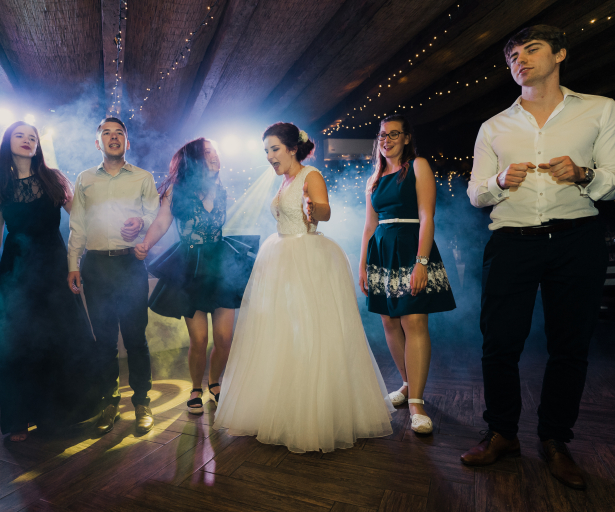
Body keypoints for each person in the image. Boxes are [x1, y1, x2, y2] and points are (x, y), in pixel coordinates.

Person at [462, 25, 615, 490]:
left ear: (560, 54)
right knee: (499, 343)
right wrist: (497, 182)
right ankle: (502, 433)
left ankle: (555, 440)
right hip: (511, 241)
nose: (520, 60)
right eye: (512, 56)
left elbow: (613, 179)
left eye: (531, 50)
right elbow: (475, 193)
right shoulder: (493, 126)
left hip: (577, 240)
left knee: (570, 345)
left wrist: (583, 173)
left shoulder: (600, 109)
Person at [213, 122, 394, 453]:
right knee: (280, 333)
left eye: (274, 149)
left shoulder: (311, 175)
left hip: (305, 257)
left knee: (310, 332)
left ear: (292, 149)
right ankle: (279, 408)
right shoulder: (283, 181)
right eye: (266, 151)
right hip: (279, 257)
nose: (270, 156)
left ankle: (312, 416)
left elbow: (324, 210)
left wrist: (314, 209)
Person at [0, 121, 104, 442]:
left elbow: (80, 219)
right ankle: (20, 419)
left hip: (53, 267)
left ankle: (57, 414)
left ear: (38, 146)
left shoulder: (54, 178)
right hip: (16, 271)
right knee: (17, 341)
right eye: (20, 135)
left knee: (60, 337)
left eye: (32, 137)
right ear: (7, 143)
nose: (27, 140)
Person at [134, 138, 257, 413]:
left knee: (224, 338)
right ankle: (195, 388)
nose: (215, 156)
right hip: (191, 266)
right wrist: (146, 244)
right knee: (199, 340)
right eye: (208, 152)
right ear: (194, 159)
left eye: (215, 151)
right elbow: (162, 222)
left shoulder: (221, 188)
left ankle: (214, 383)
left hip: (222, 266)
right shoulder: (175, 191)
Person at [358, 115, 456, 435]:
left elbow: (427, 216)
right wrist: (362, 264)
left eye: (393, 134)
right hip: (381, 252)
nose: (386, 140)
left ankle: (416, 403)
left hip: (411, 247)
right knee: (389, 321)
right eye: (382, 135)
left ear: (406, 138)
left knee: (413, 321)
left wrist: (421, 262)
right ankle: (406, 383)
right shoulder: (373, 179)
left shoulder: (418, 166)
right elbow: (369, 226)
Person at [67, 117, 159, 435]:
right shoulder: (84, 178)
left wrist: (141, 223)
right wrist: (73, 264)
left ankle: (143, 403)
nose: (113, 137)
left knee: (136, 340)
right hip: (95, 266)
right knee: (104, 342)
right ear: (98, 143)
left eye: (119, 133)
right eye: (106, 133)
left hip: (130, 265)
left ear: (127, 142)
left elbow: (155, 214)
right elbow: (77, 224)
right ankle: (110, 403)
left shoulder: (143, 177)